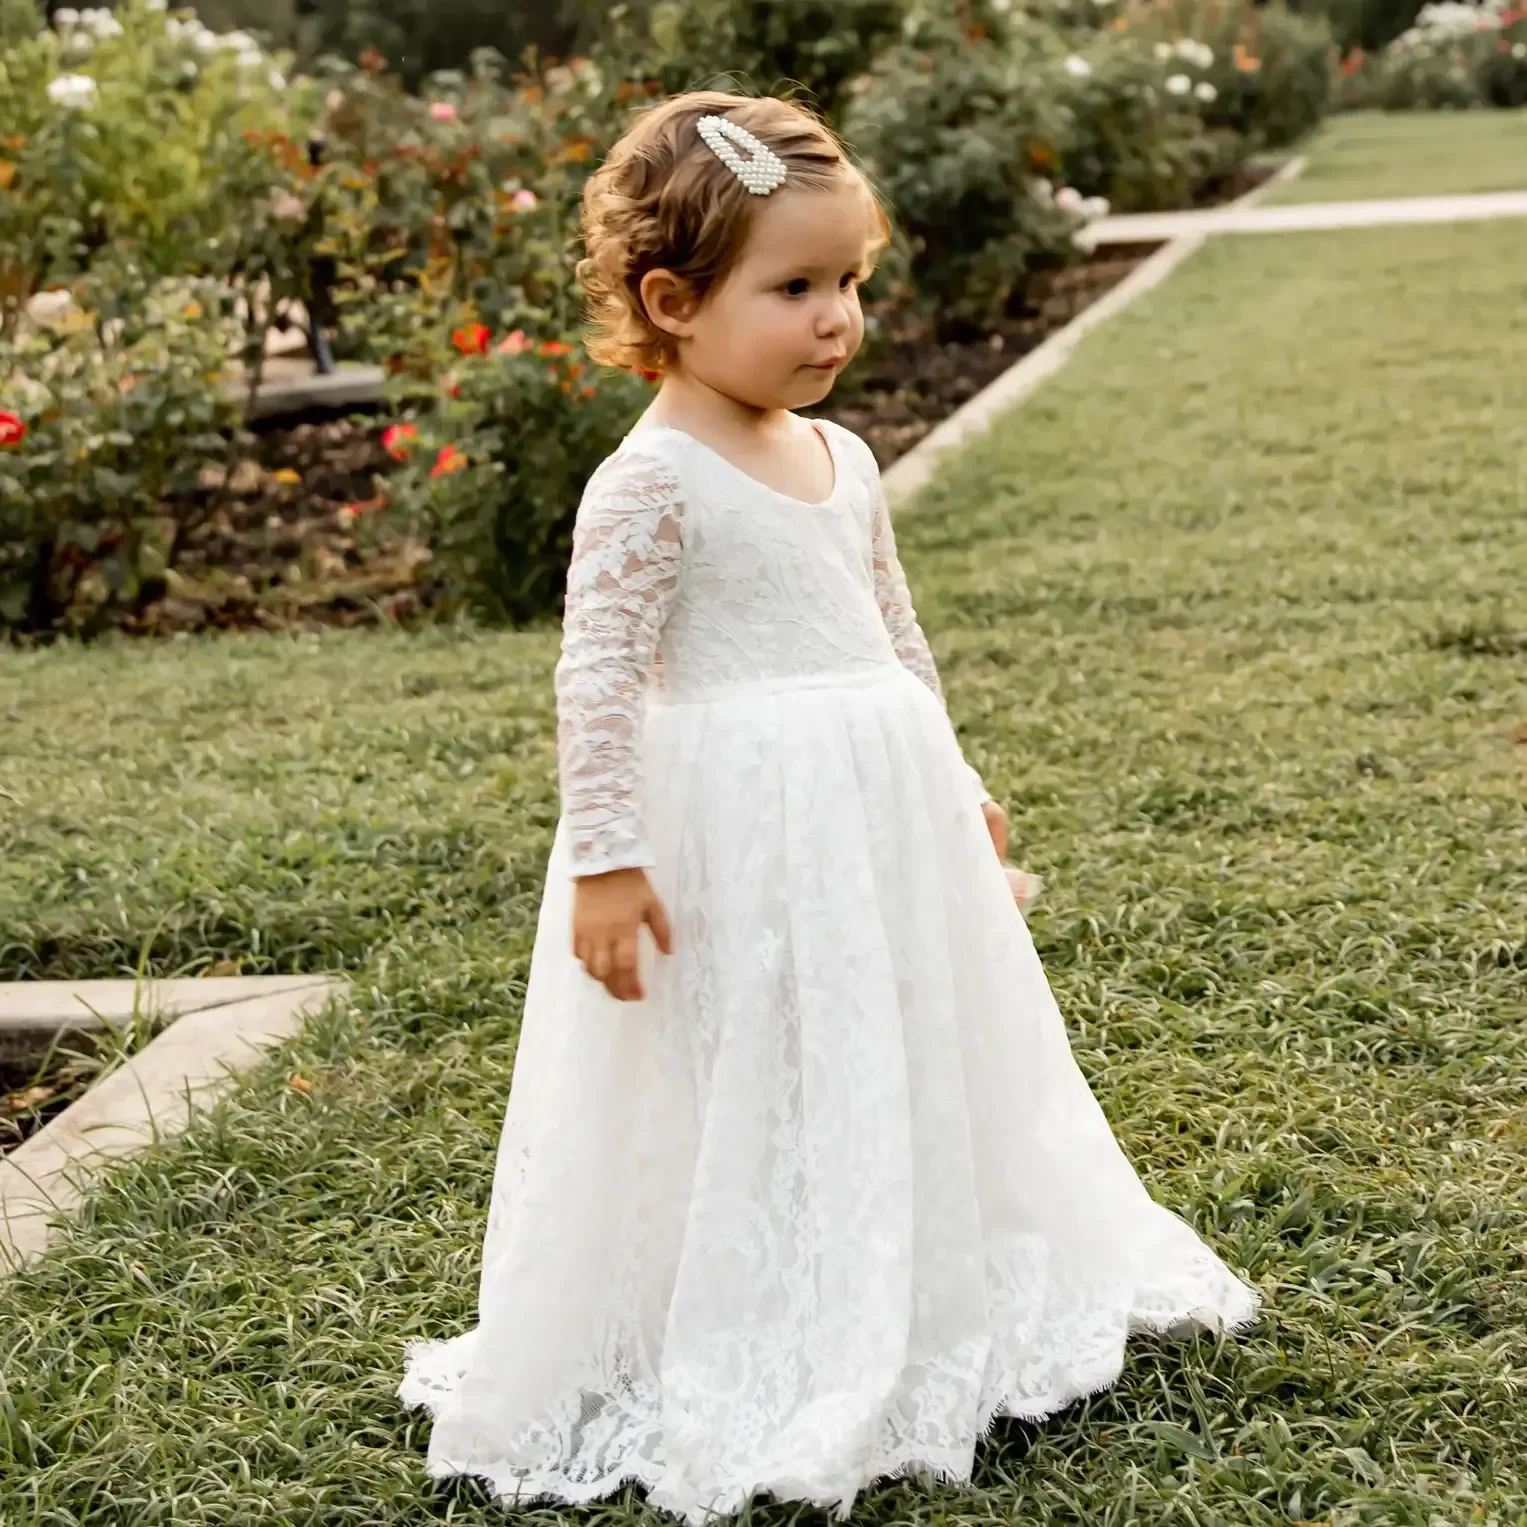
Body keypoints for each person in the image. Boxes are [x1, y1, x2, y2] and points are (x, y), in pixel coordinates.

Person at [397, 89, 1260, 1525]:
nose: (837, 318)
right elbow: (595, 678)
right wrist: (605, 860)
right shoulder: (649, 482)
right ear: (671, 301)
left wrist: (958, 785)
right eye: (794, 288)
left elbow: (890, 635)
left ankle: (908, 1258)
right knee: (754, 1045)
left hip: (876, 804)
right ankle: (765, 1292)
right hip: (730, 823)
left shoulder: (843, 456)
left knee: (886, 1027)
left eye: (849, 281)